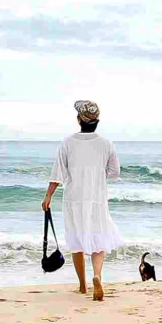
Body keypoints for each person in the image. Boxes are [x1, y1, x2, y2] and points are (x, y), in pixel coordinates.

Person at [41, 98, 120, 299]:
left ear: (79, 120)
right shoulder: (106, 143)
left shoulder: (67, 142)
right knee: (99, 239)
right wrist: (96, 174)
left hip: (74, 199)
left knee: (76, 240)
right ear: (97, 121)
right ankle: (97, 276)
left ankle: (83, 286)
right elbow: (114, 172)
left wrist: (48, 195)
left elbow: (57, 173)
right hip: (97, 198)